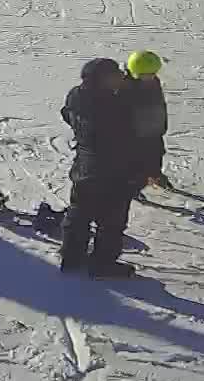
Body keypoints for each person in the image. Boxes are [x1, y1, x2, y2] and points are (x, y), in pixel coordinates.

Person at [59, 57, 145, 278]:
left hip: (84, 166)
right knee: (111, 221)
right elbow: (131, 131)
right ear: (103, 79)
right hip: (111, 170)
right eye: (115, 75)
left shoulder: (76, 95)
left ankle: (71, 256)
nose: (120, 78)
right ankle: (103, 264)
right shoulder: (112, 105)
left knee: (79, 213)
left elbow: (66, 114)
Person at [124, 50, 171, 191]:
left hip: (154, 130)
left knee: (156, 154)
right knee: (134, 161)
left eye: (153, 74)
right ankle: (133, 185)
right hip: (134, 134)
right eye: (146, 75)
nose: (151, 77)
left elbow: (159, 105)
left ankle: (155, 175)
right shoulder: (126, 88)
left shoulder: (154, 82)